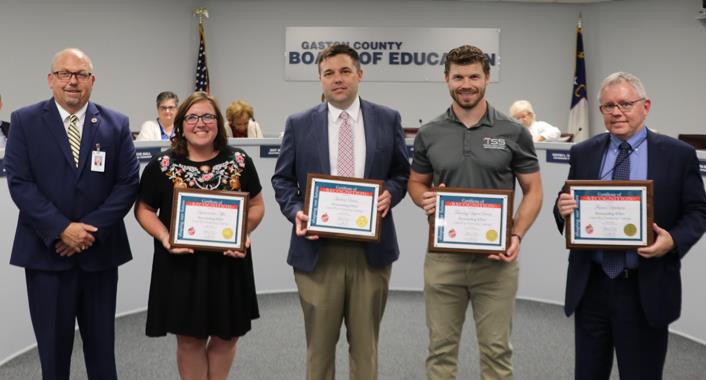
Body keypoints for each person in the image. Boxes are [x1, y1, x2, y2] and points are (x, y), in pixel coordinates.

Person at [554, 72, 706, 379]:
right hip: (592, 286)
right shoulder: (583, 152)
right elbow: (566, 202)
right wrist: (562, 209)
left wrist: (673, 241)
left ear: (646, 106)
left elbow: (699, 211)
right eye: (608, 106)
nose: (616, 112)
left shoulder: (678, 155)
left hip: (645, 288)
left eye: (625, 104)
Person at [271, 44, 409, 380]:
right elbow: (283, 179)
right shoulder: (299, 123)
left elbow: (401, 173)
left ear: (360, 74)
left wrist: (390, 194)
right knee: (319, 350)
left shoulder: (387, 118)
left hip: (371, 253)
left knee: (365, 349)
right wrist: (297, 211)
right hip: (318, 252)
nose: (337, 79)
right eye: (329, 73)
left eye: (345, 71)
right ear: (320, 79)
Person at [408, 45, 543, 380]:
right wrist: (424, 198)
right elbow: (416, 183)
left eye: (473, 76)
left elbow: (534, 191)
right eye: (458, 77)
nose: (465, 84)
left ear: (487, 78)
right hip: (443, 260)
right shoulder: (430, 133)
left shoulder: (513, 131)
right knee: (440, 350)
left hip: (496, 262)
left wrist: (516, 235)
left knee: (497, 353)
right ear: (446, 79)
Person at [4, 48, 139, 379]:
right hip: (46, 256)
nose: (73, 82)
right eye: (65, 74)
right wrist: (61, 229)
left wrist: (85, 231)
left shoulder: (116, 124)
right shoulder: (25, 121)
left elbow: (127, 183)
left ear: (92, 81)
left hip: (99, 256)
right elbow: (20, 183)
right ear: (51, 80)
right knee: (52, 354)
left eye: (80, 74)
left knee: (102, 352)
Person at [134, 91, 264, 380]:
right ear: (181, 124)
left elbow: (256, 205)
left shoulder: (240, 161)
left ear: (218, 122)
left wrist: (244, 232)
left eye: (207, 116)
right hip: (182, 266)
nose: (200, 123)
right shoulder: (162, 165)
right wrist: (165, 235)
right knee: (190, 340)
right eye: (192, 117)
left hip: (230, 263)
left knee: (227, 337)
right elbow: (143, 209)